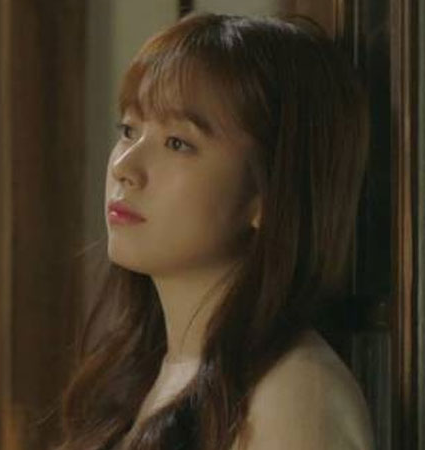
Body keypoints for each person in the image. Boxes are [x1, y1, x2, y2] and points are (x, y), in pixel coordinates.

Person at [59, 12, 375, 450]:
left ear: (267, 193)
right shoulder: (146, 370)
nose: (124, 167)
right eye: (129, 130)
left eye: (177, 143)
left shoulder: (294, 395)